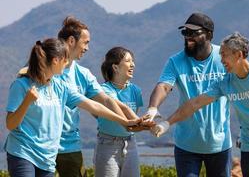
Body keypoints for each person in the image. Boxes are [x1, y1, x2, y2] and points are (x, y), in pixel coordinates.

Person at [154, 32, 249, 177]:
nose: (221, 60)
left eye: (224, 55)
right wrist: (166, 123)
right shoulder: (225, 83)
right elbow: (194, 104)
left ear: (238, 54)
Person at [4, 38, 139, 177]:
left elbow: (93, 105)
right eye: (65, 59)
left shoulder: (61, 87)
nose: (68, 63)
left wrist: (124, 121)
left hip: (47, 157)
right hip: (23, 152)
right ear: (56, 60)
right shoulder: (21, 85)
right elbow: (10, 124)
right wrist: (27, 101)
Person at [145, 12, 232, 177]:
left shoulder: (224, 57)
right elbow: (163, 87)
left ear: (209, 35)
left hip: (220, 144)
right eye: (185, 33)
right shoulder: (175, 61)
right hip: (187, 145)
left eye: (194, 33)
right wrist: (152, 108)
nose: (188, 37)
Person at [55, 16, 140, 177]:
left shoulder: (83, 73)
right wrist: (126, 122)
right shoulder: (43, 66)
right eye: (85, 42)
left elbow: (106, 100)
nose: (87, 48)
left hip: (69, 146)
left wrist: (128, 123)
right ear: (72, 41)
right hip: (40, 145)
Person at [94, 47, 146, 177]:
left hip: (131, 144)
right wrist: (141, 124)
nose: (133, 64)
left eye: (133, 61)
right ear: (115, 67)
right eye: (128, 61)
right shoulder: (103, 90)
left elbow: (133, 120)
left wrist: (141, 124)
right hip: (107, 145)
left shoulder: (136, 91)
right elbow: (124, 113)